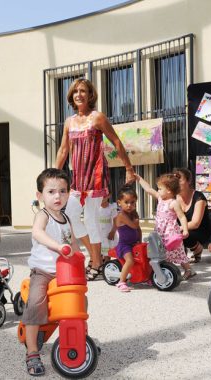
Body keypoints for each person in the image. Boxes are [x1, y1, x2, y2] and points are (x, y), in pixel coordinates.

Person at [55, 78, 136, 281]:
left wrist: (128, 167)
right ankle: (96, 257)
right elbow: (64, 149)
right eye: (75, 92)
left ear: (90, 95)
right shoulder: (69, 122)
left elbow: (116, 141)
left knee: (90, 218)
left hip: (96, 175)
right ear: (71, 96)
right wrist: (54, 175)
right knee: (71, 215)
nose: (79, 95)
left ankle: (97, 261)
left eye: (83, 91)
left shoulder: (97, 117)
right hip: (78, 178)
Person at [22, 168, 80, 376]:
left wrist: (77, 254)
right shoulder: (43, 215)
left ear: (69, 193)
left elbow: (73, 243)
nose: (58, 196)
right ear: (40, 196)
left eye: (63, 191)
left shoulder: (67, 219)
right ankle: (32, 351)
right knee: (37, 303)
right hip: (43, 271)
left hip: (64, 272)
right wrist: (57, 247)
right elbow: (37, 233)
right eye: (52, 191)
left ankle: (77, 339)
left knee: (78, 303)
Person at [136, 173, 196, 280]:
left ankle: (188, 270)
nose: (158, 190)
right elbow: (148, 189)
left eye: (160, 188)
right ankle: (164, 269)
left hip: (170, 233)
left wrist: (185, 229)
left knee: (178, 252)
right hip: (160, 231)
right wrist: (139, 178)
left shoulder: (173, 203)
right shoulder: (160, 198)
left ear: (168, 190)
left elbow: (182, 217)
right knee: (160, 251)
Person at [174, 167, 211, 263]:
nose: (176, 183)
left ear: (189, 180)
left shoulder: (199, 197)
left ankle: (197, 248)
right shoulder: (173, 198)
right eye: (174, 180)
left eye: (179, 179)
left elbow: (195, 223)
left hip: (199, 231)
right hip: (183, 229)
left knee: (182, 233)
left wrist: (176, 229)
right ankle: (181, 251)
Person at [114, 185, 142, 292]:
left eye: (133, 202)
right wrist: (136, 219)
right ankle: (121, 282)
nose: (130, 205)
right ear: (119, 202)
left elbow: (138, 229)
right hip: (124, 245)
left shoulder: (134, 213)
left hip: (134, 243)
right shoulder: (121, 215)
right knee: (130, 261)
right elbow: (134, 225)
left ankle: (144, 276)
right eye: (126, 202)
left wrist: (139, 241)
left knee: (144, 258)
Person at [98, 195, 119, 260]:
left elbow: (116, 221)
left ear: (108, 196)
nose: (101, 198)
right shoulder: (96, 207)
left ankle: (107, 265)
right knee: (99, 251)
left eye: (103, 196)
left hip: (108, 233)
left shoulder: (111, 208)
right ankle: (100, 265)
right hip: (99, 233)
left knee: (107, 252)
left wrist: (113, 232)